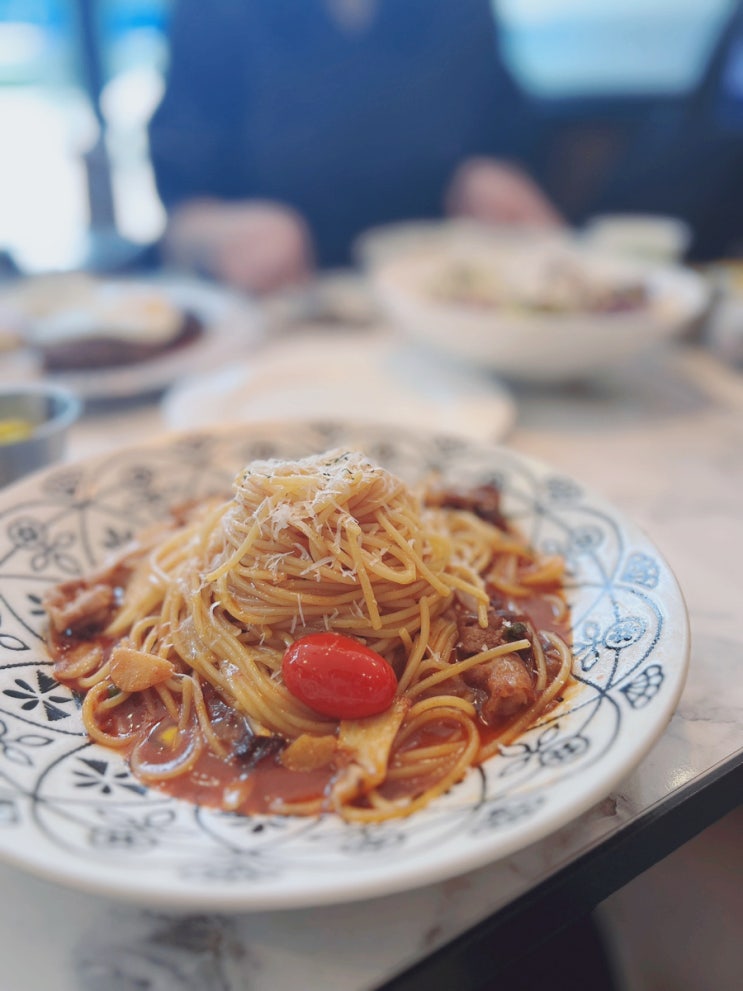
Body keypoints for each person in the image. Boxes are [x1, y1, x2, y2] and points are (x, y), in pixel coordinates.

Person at [148, 0, 563, 294]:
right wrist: (218, 236)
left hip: (446, 315)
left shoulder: (457, 9)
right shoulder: (216, 11)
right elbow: (180, 220)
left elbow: (502, 137)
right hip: (278, 327)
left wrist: (495, 175)